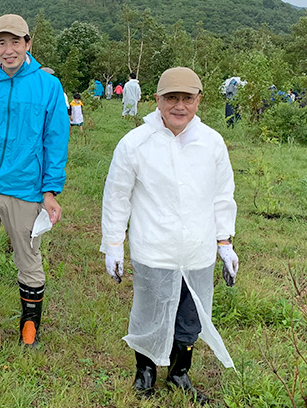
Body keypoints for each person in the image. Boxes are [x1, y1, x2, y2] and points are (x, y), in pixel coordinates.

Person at [101, 67, 240, 403]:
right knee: (149, 313)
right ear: (157, 100)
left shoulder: (211, 143)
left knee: (190, 316)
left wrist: (225, 242)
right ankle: (145, 373)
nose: (179, 106)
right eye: (171, 98)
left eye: (187, 99)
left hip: (197, 249)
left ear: (198, 101)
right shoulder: (136, 143)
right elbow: (117, 195)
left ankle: (179, 373)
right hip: (154, 248)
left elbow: (223, 195)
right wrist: (114, 245)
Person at [0, 14, 69, 347]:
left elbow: (55, 140)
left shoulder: (48, 86)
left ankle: (29, 323)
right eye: (1, 43)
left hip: (26, 189)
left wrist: (49, 191)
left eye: (15, 42)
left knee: (28, 258)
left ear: (28, 44)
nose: (8, 50)